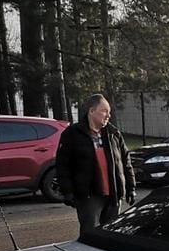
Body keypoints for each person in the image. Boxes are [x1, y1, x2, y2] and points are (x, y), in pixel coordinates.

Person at [56, 93, 136, 232]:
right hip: (89, 196)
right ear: (91, 111)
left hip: (113, 194)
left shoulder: (113, 133)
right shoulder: (73, 134)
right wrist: (67, 192)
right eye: (104, 111)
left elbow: (125, 161)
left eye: (109, 112)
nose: (108, 115)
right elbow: (63, 166)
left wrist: (131, 187)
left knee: (112, 233)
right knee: (90, 234)